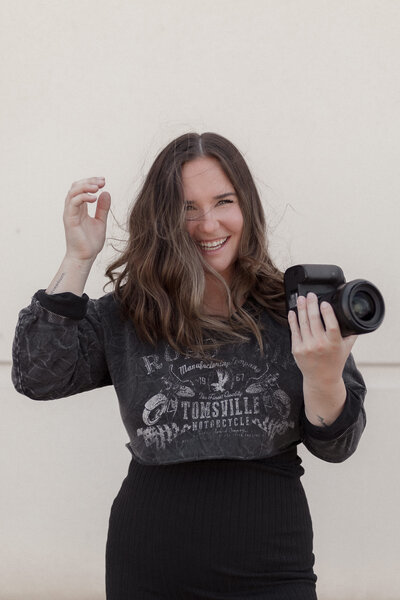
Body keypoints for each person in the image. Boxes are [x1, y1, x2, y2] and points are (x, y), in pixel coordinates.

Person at [12, 132, 366, 600]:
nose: (207, 223)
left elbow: (338, 446)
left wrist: (323, 377)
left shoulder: (295, 311)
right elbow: (37, 375)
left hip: (273, 568)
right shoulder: (129, 314)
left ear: (247, 209)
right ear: (162, 220)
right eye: (186, 208)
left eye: (223, 201)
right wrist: (79, 257)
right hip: (149, 567)